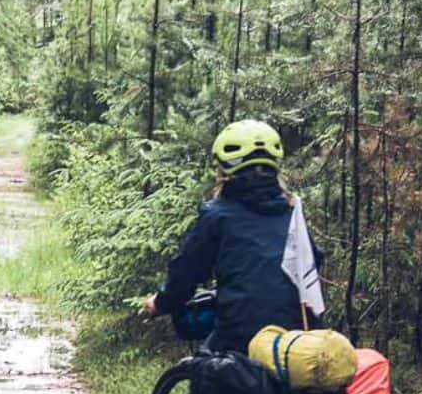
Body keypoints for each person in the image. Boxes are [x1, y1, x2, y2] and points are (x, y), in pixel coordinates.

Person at [137, 120, 327, 355]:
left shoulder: (218, 215)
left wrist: (161, 303)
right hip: (298, 339)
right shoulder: (291, 211)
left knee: (202, 368)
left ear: (224, 169)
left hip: (241, 337)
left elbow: (186, 272)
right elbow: (313, 260)